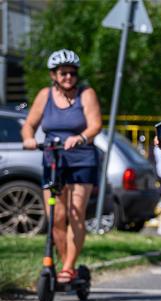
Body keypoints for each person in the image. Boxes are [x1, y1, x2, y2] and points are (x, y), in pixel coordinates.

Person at [22, 49, 102, 285]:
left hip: (81, 158)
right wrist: (28, 138)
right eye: (63, 73)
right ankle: (67, 263)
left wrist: (80, 138)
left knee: (75, 213)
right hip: (53, 158)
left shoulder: (86, 94)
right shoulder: (44, 95)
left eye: (72, 73)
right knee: (56, 215)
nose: (68, 77)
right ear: (53, 75)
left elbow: (95, 125)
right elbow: (29, 124)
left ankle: (67, 267)